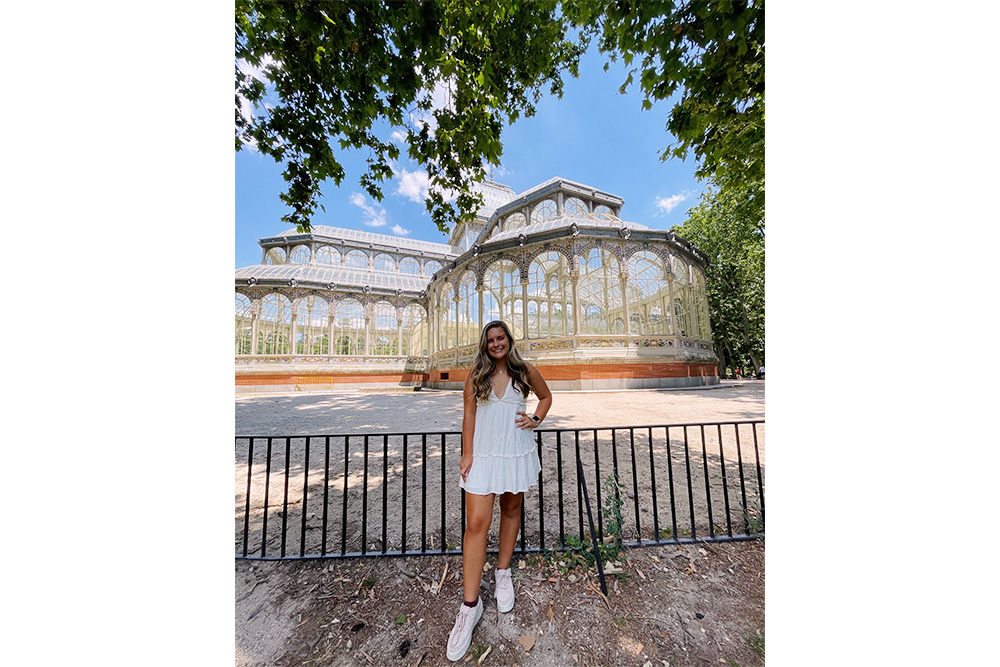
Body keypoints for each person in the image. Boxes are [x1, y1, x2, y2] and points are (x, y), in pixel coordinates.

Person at [446, 320, 552, 661]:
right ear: (485, 344)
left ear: (508, 339)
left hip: (515, 450)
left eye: (500, 338)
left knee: (511, 510)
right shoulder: (477, 373)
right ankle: (469, 607)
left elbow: (547, 397)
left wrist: (536, 419)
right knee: (476, 523)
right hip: (485, 453)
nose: (496, 344)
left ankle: (503, 572)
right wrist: (467, 452)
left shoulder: (524, 370)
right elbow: (468, 411)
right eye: (490, 340)